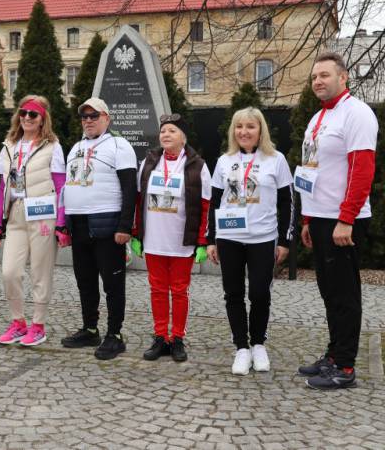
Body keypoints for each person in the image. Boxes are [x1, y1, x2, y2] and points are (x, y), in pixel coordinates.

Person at [295, 52, 377, 390]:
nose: (318, 81)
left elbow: (362, 169)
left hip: (343, 220)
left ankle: (345, 366)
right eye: (315, 76)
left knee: (344, 295)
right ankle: (333, 354)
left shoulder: (357, 113)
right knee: (329, 292)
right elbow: (311, 169)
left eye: (325, 75)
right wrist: (307, 218)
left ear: (343, 77)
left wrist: (346, 218)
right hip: (320, 217)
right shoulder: (318, 118)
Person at [205, 108, 293, 374]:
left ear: (260, 130)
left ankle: (258, 344)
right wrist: (211, 240)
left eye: (250, 126)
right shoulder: (224, 161)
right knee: (233, 293)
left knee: (259, 293)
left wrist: (285, 241)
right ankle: (241, 348)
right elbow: (214, 202)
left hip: (263, 237)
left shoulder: (276, 159)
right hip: (229, 236)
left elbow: (287, 202)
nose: (244, 132)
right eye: (239, 126)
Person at [61, 98, 137, 360]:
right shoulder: (76, 147)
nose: (88, 121)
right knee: (85, 282)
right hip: (79, 224)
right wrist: (65, 224)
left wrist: (125, 225)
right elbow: (68, 186)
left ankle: (115, 334)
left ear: (107, 118)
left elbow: (130, 188)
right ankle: (90, 328)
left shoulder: (119, 145)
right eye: (84, 117)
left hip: (108, 224)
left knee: (112, 284)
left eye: (94, 116)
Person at [0, 95, 70, 347]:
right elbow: (2, 187)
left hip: (43, 214)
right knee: (10, 272)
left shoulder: (52, 147)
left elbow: (61, 185)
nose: (27, 117)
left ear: (42, 119)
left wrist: (62, 223)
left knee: (40, 271)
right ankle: (18, 322)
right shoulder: (8, 146)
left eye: (33, 114)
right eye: (23, 113)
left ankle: (38, 325)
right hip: (15, 214)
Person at [133, 114, 210, 363]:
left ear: (183, 137)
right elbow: (138, 200)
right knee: (157, 289)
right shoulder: (149, 162)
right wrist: (136, 234)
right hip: (154, 239)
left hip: (181, 240)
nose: (166, 135)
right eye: (163, 131)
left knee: (179, 291)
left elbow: (205, 206)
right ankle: (160, 337)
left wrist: (202, 241)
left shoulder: (197, 165)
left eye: (172, 131)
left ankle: (176, 338)